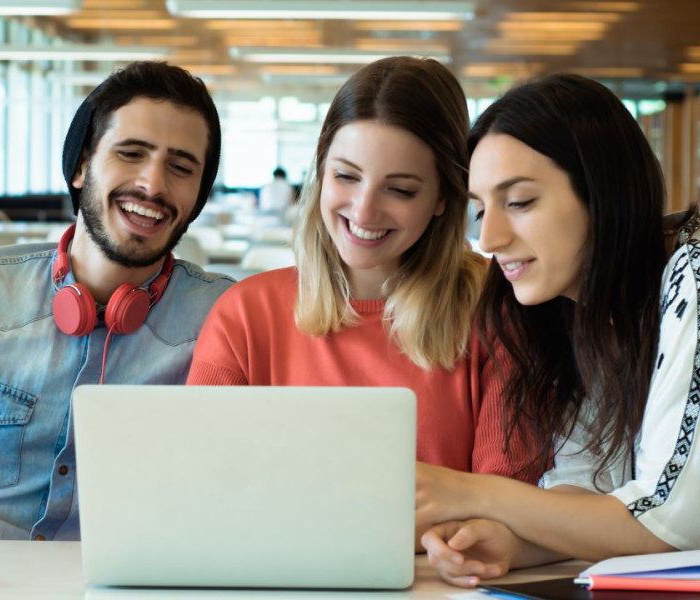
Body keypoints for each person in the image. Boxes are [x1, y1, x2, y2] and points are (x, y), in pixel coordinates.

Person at [187, 56, 543, 538]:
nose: (364, 210)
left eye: (400, 189)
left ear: (443, 198)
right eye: (347, 177)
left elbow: (502, 508)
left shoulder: (497, 311)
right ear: (320, 172)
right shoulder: (245, 314)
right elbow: (200, 494)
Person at [0, 61, 234, 540]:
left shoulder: (222, 319)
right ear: (81, 166)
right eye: (131, 153)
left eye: (181, 168)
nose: (154, 185)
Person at [415, 74, 700, 587]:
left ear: (602, 191)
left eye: (520, 202)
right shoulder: (579, 308)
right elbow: (587, 490)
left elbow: (667, 523)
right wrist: (511, 541)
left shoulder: (692, 276)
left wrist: (470, 492)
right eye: (480, 210)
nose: (490, 238)